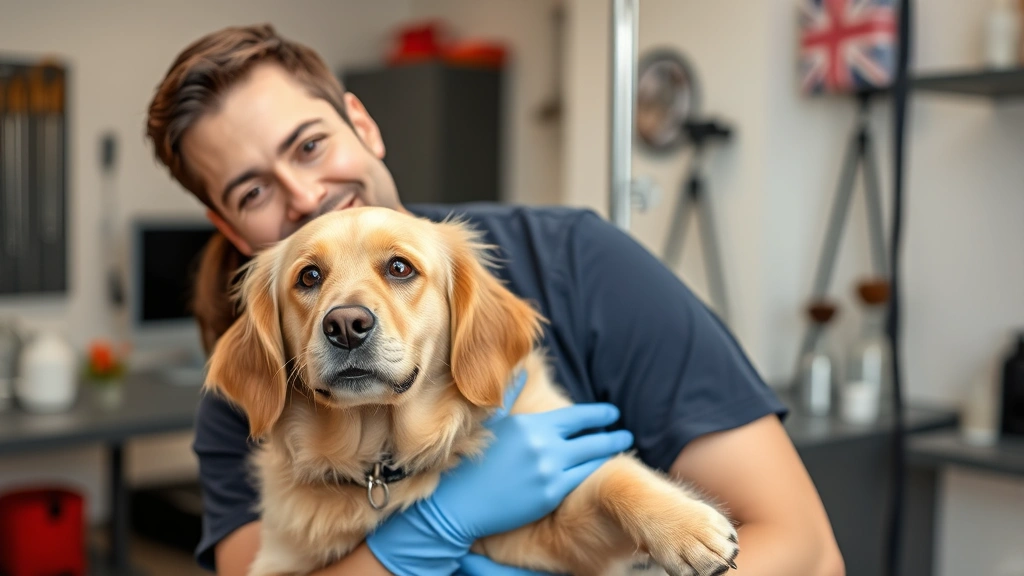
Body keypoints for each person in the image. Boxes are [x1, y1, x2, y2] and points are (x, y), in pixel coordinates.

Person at [145, 24, 844, 576]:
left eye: (309, 146)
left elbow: (808, 552)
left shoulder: (577, 261)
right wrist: (429, 533)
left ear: (362, 124)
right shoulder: (252, 376)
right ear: (230, 228)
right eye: (253, 191)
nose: (305, 196)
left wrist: (617, 498)